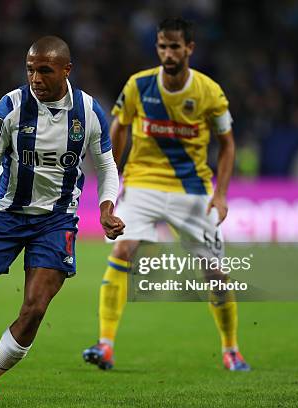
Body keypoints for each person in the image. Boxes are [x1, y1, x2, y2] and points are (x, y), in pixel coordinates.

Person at [0, 35, 124, 400]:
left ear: (67, 70)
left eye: (44, 70)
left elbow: (107, 166)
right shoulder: (11, 106)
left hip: (56, 221)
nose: (35, 78)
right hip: (6, 216)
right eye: (31, 69)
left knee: (34, 308)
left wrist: (106, 207)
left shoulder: (88, 111)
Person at [82, 18, 250, 371]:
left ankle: (231, 349)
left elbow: (227, 144)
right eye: (162, 46)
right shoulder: (138, 86)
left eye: (175, 46)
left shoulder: (209, 92)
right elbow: (120, 128)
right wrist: (114, 181)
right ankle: (105, 344)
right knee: (124, 248)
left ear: (189, 48)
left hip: (193, 191)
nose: (168, 53)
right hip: (142, 183)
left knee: (214, 271)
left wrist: (220, 195)